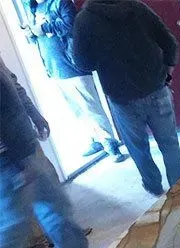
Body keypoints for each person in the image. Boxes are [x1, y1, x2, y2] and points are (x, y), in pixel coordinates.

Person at [0, 56, 91, 248]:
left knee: (57, 205)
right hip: (5, 159)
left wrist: (34, 115)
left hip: (23, 147)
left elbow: (12, 87)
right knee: (13, 228)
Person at [72, 0, 180, 196]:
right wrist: (168, 71)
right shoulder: (137, 7)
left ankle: (153, 186)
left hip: (121, 96)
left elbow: (83, 63)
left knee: (138, 148)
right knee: (169, 143)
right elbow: (169, 43)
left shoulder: (85, 19)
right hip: (156, 87)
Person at [25, 0, 126, 163]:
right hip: (54, 68)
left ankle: (111, 144)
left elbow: (71, 25)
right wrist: (31, 33)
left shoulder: (60, 2)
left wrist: (43, 28)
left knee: (91, 106)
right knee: (78, 110)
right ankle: (96, 140)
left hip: (72, 65)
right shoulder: (33, 9)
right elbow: (37, 38)